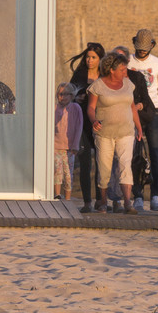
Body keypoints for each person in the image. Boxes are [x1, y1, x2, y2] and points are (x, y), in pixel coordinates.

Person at [126, 28, 158, 213]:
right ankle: (138, 196)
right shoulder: (128, 61)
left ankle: (155, 195)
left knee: (156, 154)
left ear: (152, 46)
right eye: (139, 47)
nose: (142, 51)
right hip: (132, 111)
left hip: (153, 110)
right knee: (135, 154)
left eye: (145, 48)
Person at [87, 50, 142, 213]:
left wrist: (138, 127)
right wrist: (93, 120)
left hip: (126, 131)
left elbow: (132, 107)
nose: (125, 72)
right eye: (122, 69)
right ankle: (103, 201)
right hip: (104, 133)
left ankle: (127, 202)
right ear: (111, 70)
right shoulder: (97, 86)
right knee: (104, 168)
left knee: (125, 165)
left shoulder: (128, 84)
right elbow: (91, 108)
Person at [68, 44, 105, 212]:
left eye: (93, 57)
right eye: (88, 57)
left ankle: (100, 200)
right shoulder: (79, 74)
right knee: (84, 163)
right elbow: (68, 95)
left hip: (100, 122)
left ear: (100, 59)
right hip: (82, 121)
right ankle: (87, 202)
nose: (89, 60)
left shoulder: (104, 76)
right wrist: (76, 98)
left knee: (101, 163)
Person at [55, 82, 82, 200]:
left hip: (69, 147)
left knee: (68, 173)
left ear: (71, 95)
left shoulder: (75, 108)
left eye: (66, 94)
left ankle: (67, 198)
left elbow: (79, 127)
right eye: (60, 94)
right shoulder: (54, 108)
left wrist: (75, 145)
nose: (63, 97)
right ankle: (57, 195)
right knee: (57, 171)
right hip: (55, 146)